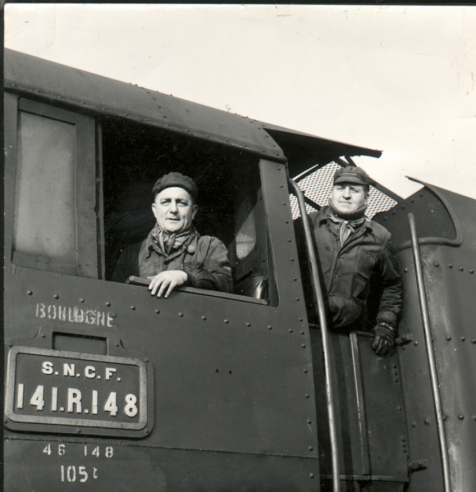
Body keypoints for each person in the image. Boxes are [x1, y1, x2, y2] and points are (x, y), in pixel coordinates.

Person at [302, 165, 403, 356]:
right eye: (340, 188)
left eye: (354, 190)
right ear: (331, 192)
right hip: (303, 327)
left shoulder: (380, 237)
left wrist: (385, 324)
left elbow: (391, 285)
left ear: (366, 197)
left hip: (346, 337)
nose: (346, 195)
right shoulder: (306, 224)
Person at [112, 172, 233, 298]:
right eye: (166, 202)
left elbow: (225, 285)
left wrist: (185, 276)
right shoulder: (131, 254)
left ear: (193, 212)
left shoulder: (209, 246)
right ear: (154, 210)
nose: (173, 209)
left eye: (181, 203)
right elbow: (114, 297)